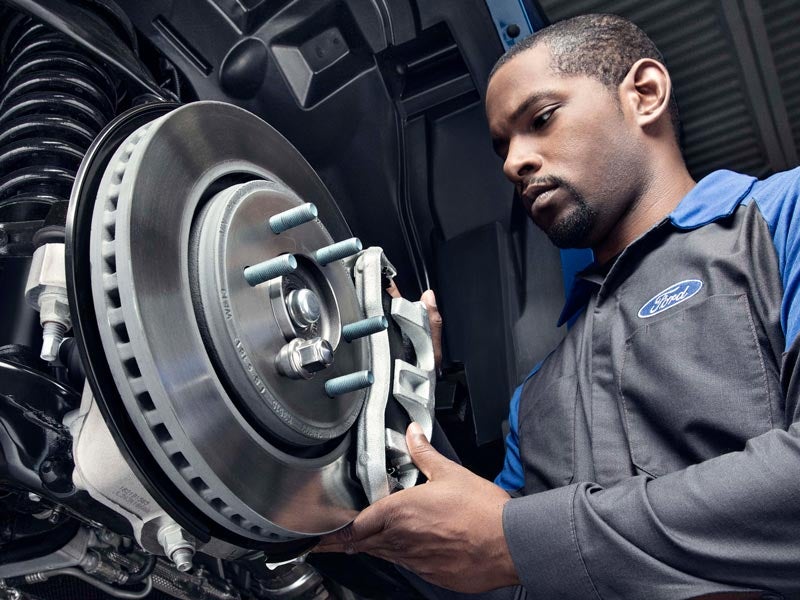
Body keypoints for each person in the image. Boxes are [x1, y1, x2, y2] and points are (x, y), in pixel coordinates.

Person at [316, 13, 800, 599]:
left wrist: (524, 538)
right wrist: (402, 393)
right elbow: (490, 575)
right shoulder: (535, 398)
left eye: (540, 120)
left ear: (644, 95)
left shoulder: (780, 219)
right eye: (502, 146)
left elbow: (512, 543)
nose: (513, 163)